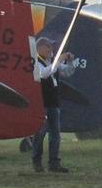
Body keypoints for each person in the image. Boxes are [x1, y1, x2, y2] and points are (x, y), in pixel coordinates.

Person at [31, 38, 72, 174]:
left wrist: (70, 61)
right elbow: (43, 74)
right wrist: (58, 60)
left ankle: (54, 163)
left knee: (55, 135)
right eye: (48, 47)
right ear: (40, 48)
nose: (51, 50)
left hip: (54, 104)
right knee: (40, 134)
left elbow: (67, 72)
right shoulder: (36, 62)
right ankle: (37, 162)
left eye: (51, 47)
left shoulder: (52, 62)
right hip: (42, 104)